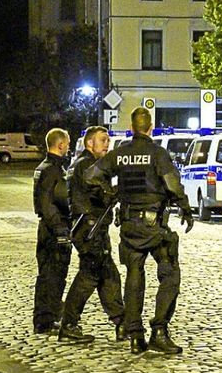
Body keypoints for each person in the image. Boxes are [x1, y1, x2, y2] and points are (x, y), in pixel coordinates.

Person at [87, 106, 194, 355]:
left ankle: (135, 335)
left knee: (134, 277)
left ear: (133, 127)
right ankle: (159, 330)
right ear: (150, 127)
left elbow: (91, 175)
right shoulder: (157, 154)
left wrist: (111, 191)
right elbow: (173, 185)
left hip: (128, 224)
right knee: (170, 275)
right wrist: (185, 208)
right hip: (153, 225)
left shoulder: (119, 154)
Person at [58, 126, 125, 344]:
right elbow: (98, 189)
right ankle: (69, 324)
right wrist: (115, 191)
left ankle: (121, 322)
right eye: (103, 140)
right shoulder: (88, 164)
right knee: (89, 277)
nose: (107, 144)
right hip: (90, 228)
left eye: (107, 140)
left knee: (107, 276)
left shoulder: (81, 163)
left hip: (91, 227)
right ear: (89, 143)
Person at [32, 128, 73, 335]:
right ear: (60, 145)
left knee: (48, 275)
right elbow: (48, 203)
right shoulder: (52, 170)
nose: (68, 147)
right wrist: (60, 230)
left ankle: (46, 317)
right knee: (52, 275)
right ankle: (45, 320)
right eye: (67, 143)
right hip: (53, 229)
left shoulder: (44, 167)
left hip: (47, 229)